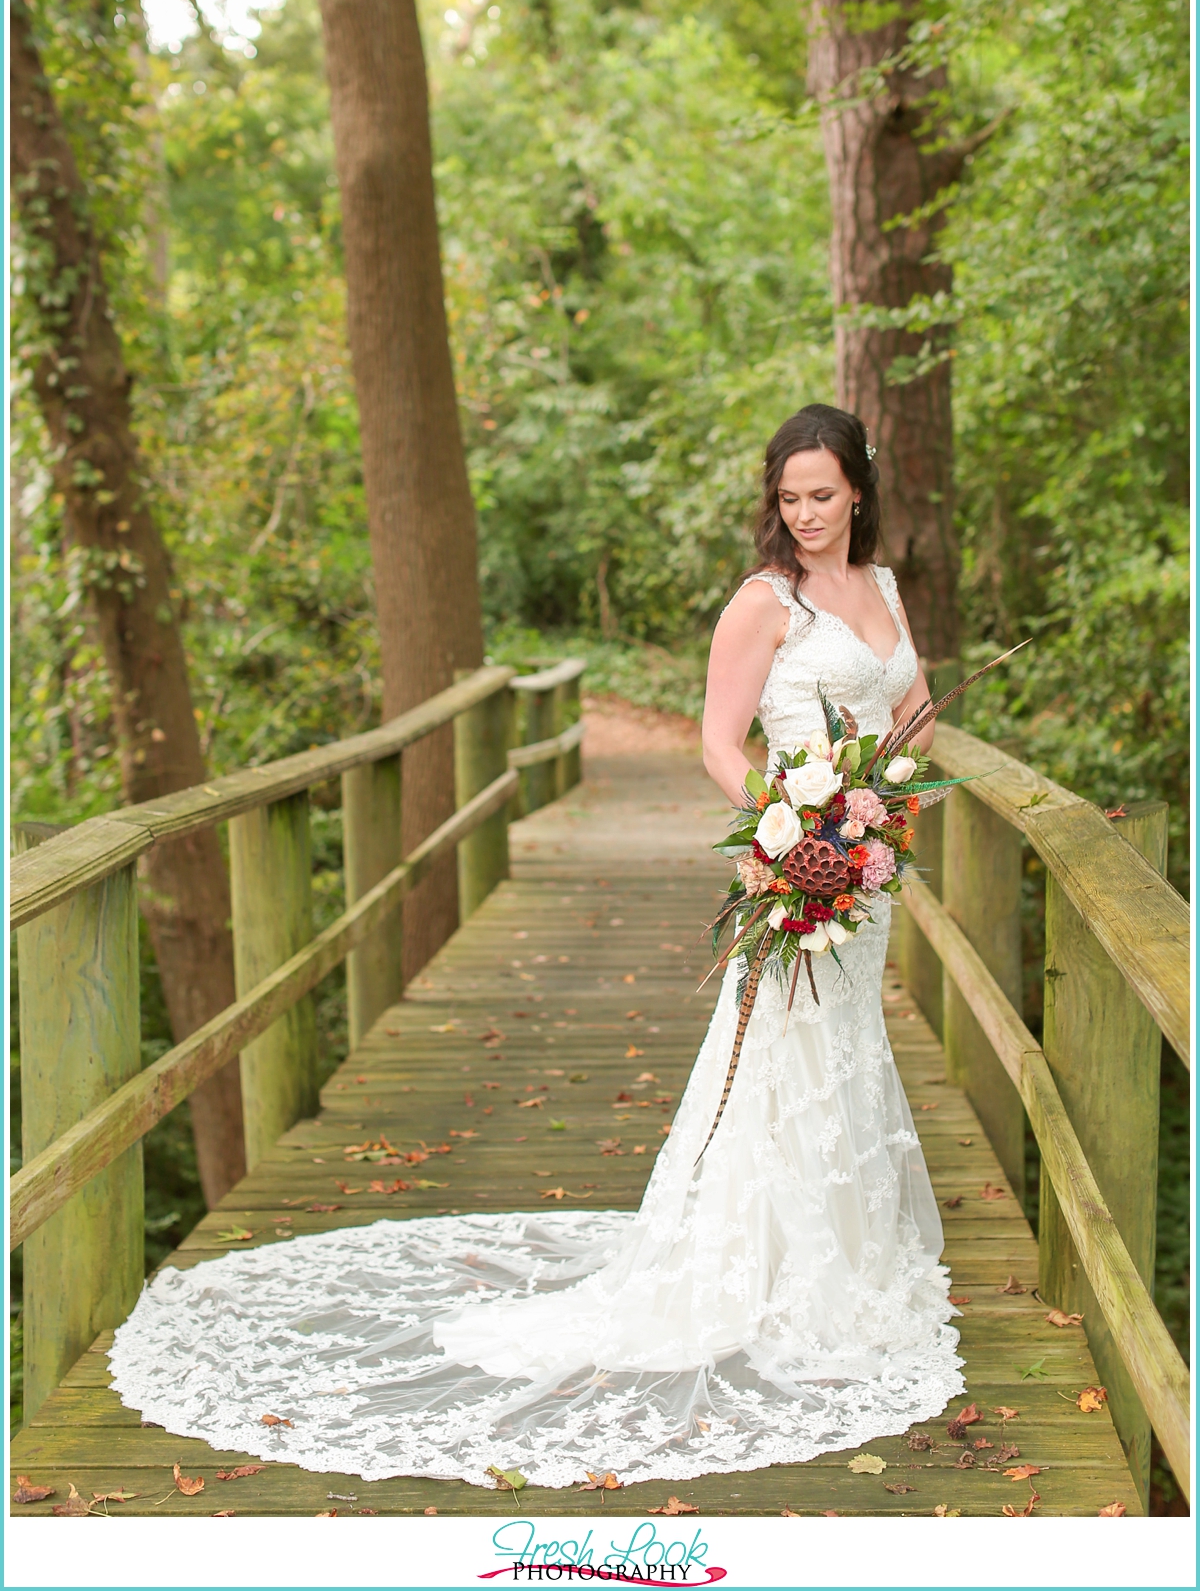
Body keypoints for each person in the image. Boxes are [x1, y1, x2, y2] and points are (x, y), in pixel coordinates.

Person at [109, 403, 962, 1489]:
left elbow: (919, 710)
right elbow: (714, 738)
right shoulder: (765, 605)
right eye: (788, 497)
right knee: (785, 1052)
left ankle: (844, 1256)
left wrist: (881, 803)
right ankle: (770, 1270)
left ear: (858, 493)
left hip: (870, 864)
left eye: (822, 495)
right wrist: (791, 822)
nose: (803, 515)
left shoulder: (883, 592)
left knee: (845, 1049)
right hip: (798, 859)